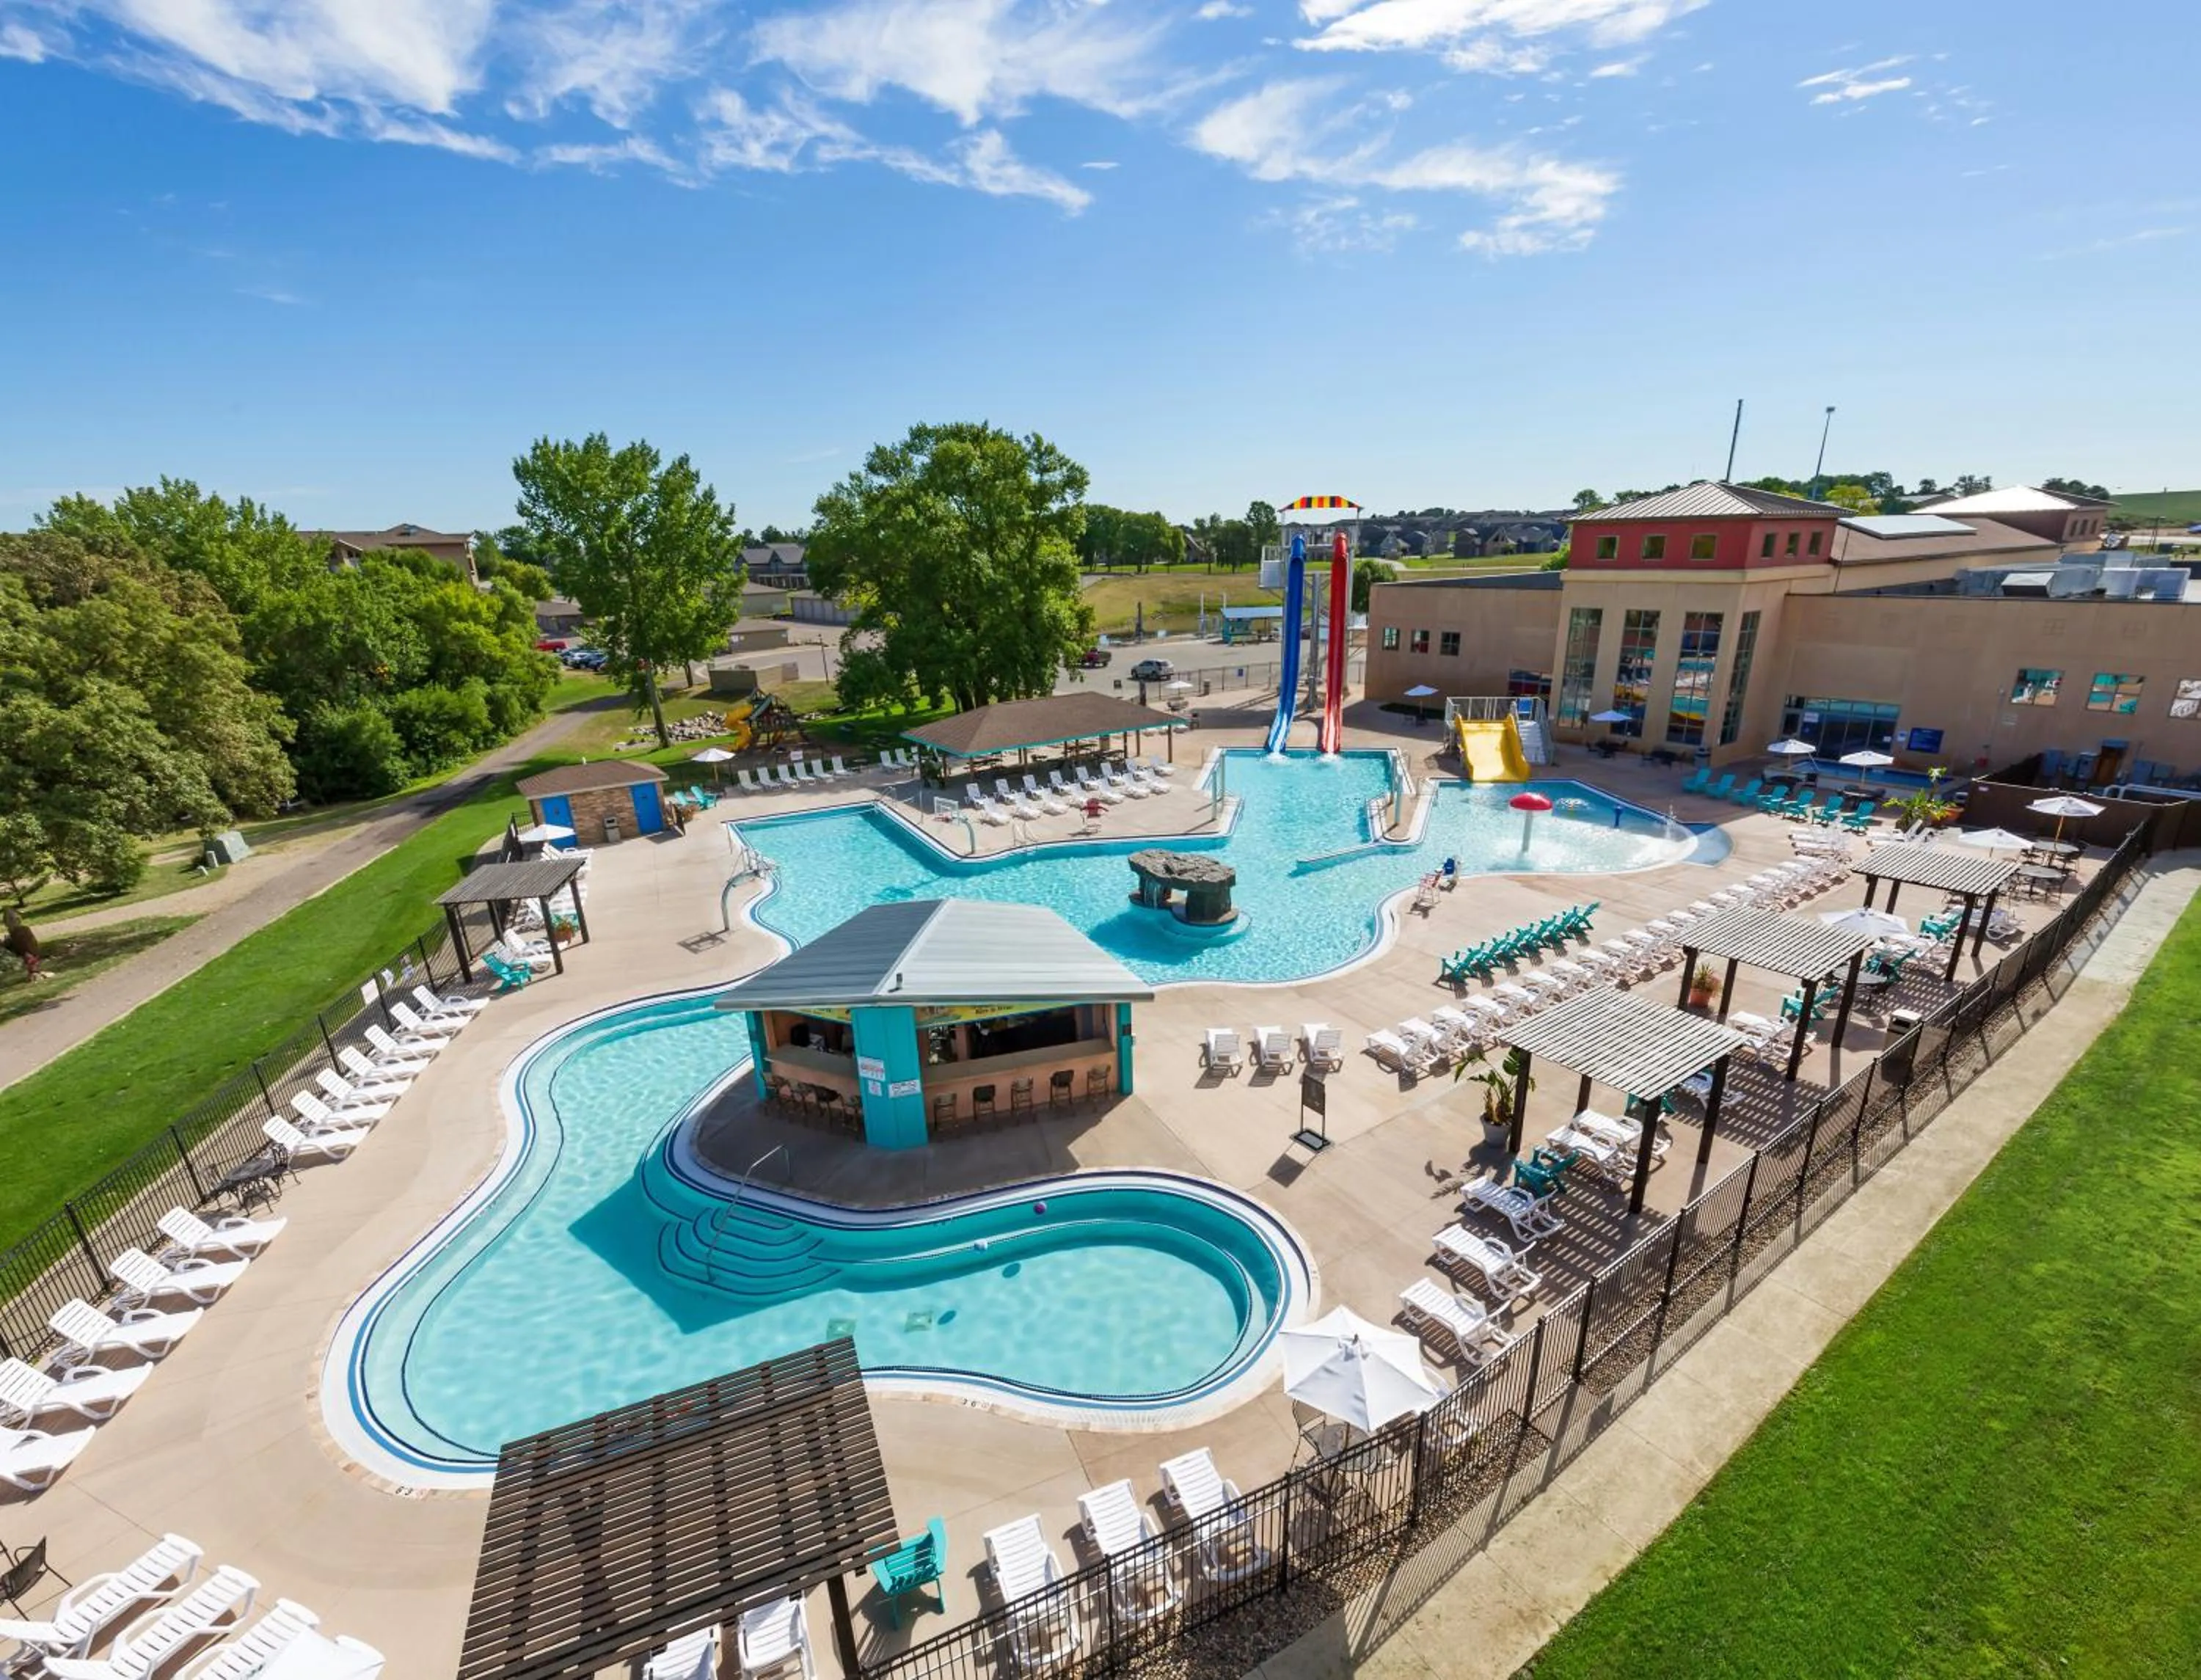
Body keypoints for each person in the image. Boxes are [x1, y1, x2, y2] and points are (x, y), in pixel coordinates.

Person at [3, 907, 41, 980]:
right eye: (8, 920)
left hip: (29, 955)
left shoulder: (23, 931)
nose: (10, 923)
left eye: (12, 919)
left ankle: (33, 970)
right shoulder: (13, 933)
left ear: (18, 920)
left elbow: (29, 947)